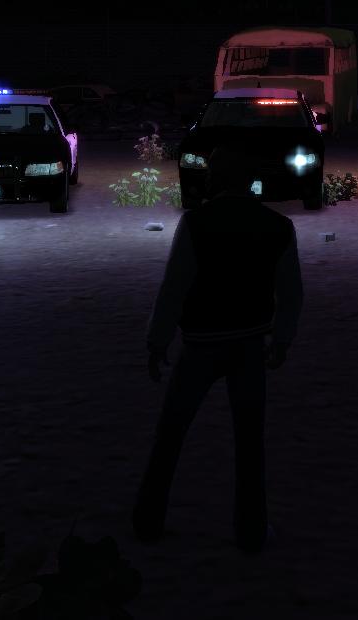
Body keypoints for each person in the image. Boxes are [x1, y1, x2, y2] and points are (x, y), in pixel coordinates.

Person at [133, 145, 302, 554]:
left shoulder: (196, 223)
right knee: (250, 441)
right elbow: (291, 292)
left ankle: (148, 522)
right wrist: (281, 340)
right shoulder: (278, 226)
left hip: (200, 345)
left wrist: (158, 341)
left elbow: (174, 287)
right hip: (249, 345)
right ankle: (251, 532)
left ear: (218, 179)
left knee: (171, 433)